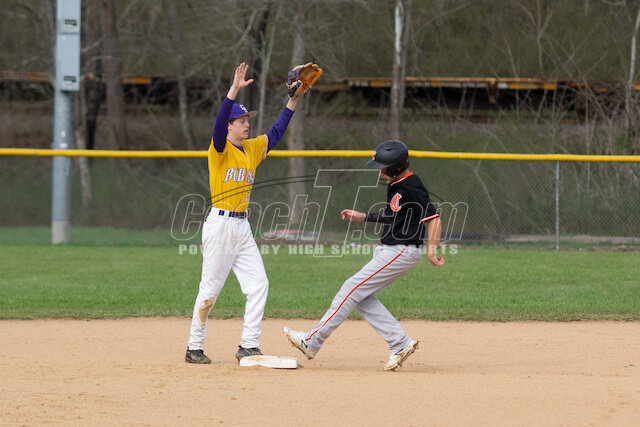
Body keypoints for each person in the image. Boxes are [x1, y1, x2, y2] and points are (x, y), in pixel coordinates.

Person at [283, 139, 444, 371]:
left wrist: (432, 251)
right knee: (361, 296)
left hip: (402, 250)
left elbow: (433, 218)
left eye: (383, 167)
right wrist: (363, 216)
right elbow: (393, 215)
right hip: (393, 250)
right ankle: (400, 343)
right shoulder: (398, 184)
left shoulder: (412, 186)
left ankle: (312, 341)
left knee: (351, 287)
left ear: (396, 168)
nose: (379, 172)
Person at [185, 62, 301, 364]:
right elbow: (218, 123)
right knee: (210, 291)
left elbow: (277, 132)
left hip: (242, 228)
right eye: (240, 120)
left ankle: (248, 344)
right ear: (229, 126)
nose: (246, 124)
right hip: (220, 225)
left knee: (259, 284)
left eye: (247, 120)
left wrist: (292, 100)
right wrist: (233, 91)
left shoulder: (251, 148)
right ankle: (194, 346)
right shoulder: (219, 150)